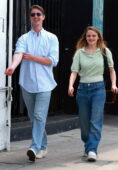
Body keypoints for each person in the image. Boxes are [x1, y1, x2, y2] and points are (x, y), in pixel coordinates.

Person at [5, 5, 59, 162]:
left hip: (45, 84)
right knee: (33, 117)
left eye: (38, 14)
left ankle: (34, 147)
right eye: (33, 15)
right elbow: (18, 54)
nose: (35, 17)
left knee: (39, 116)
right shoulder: (23, 38)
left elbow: (53, 61)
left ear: (43, 17)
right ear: (30, 18)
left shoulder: (51, 38)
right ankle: (43, 146)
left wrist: (34, 57)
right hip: (27, 83)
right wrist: (12, 67)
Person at [68, 26, 118, 162]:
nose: (91, 38)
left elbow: (112, 70)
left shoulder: (104, 52)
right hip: (82, 90)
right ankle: (88, 145)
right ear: (85, 37)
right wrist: (71, 85)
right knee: (84, 125)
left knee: (96, 121)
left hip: (98, 89)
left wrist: (113, 84)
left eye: (93, 36)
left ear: (98, 38)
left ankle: (92, 150)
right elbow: (74, 72)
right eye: (89, 36)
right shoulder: (79, 53)